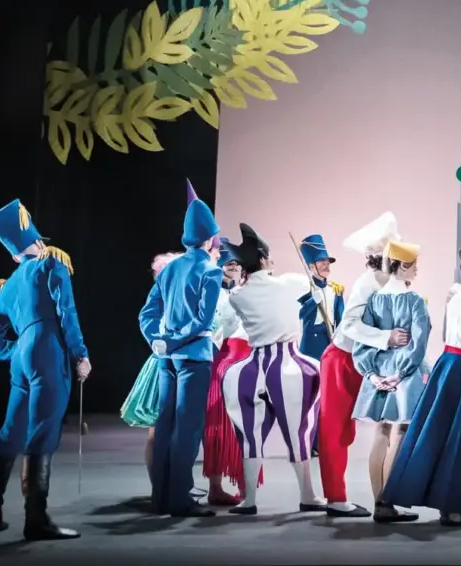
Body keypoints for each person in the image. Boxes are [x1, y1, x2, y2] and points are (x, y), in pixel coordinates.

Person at [0, 200, 91, 541]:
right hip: (48, 352)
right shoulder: (51, 264)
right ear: (39, 242)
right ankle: (36, 521)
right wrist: (81, 355)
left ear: (15, 256)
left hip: (22, 359)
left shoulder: (7, 286)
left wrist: (17, 350)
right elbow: (67, 313)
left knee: (11, 432)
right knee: (42, 432)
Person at [382, 248, 461, 527]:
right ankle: (456, 510)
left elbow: (450, 334)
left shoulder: (457, 297)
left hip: (447, 363)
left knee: (434, 431)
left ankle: (435, 503)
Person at [220, 223, 327, 515]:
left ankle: (249, 500)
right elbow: (312, 283)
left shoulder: (237, 295)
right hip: (288, 363)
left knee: (250, 436)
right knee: (299, 433)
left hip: (251, 369)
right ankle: (308, 495)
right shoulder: (290, 282)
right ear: (265, 259)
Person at [138, 183, 223, 518]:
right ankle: (179, 499)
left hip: (166, 358)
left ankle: (160, 497)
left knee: (164, 426)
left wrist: (158, 340)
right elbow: (203, 321)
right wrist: (173, 341)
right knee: (186, 429)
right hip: (193, 357)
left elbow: (147, 313)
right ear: (210, 238)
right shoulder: (211, 270)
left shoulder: (170, 268)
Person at [319, 212, 409, 519]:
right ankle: (336, 498)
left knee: (385, 427)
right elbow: (350, 325)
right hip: (342, 360)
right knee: (337, 431)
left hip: (367, 361)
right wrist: (387, 337)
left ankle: (384, 502)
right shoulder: (367, 284)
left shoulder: (388, 283)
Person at [353, 239, 432, 523]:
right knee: (399, 432)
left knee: (381, 432)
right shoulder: (415, 301)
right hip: (403, 375)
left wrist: (372, 375)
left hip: (378, 371)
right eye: (415, 265)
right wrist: (400, 374)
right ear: (405, 266)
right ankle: (387, 503)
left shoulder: (374, 300)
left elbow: (361, 341)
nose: (417, 270)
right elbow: (419, 344)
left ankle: (378, 502)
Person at [119, 253, 181, 494]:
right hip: (163, 363)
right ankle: (161, 487)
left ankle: (171, 486)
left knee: (175, 432)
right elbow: (147, 318)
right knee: (159, 430)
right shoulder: (163, 294)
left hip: (181, 362)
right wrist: (161, 343)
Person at [202, 246, 258, 506]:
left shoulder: (247, 292)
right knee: (217, 427)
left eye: (237, 264)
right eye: (228, 263)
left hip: (246, 362)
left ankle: (246, 487)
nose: (234, 267)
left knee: (248, 427)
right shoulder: (213, 293)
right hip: (222, 361)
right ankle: (215, 487)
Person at [297, 234, 345, 360]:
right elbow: (298, 314)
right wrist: (312, 301)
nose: (326, 265)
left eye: (327, 262)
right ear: (311, 266)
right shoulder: (304, 287)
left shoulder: (336, 289)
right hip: (310, 344)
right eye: (321, 261)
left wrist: (339, 337)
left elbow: (341, 318)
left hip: (330, 340)